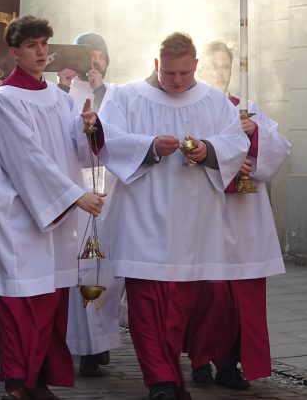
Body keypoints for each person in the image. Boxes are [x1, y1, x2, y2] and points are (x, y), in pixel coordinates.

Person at [98, 32, 249, 400]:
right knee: (146, 303)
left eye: (184, 73)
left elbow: (235, 143)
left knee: (180, 305)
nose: (177, 80)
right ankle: (161, 381)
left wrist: (207, 149)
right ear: (156, 65)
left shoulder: (215, 102)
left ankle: (169, 375)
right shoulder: (126, 97)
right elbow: (103, 138)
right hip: (141, 218)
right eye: (170, 74)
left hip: (193, 223)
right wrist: (148, 146)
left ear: (196, 65)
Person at [0, 15, 106, 400]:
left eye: (44, 44)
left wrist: (89, 126)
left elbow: (80, 150)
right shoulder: (5, 100)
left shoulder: (58, 97)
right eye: (32, 45)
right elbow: (29, 161)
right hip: (20, 216)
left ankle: (38, 380)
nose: (40, 52)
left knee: (50, 299)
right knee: (22, 302)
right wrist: (74, 196)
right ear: (15, 52)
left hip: (54, 216)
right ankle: (18, 382)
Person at [185, 41, 290, 390]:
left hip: (244, 218)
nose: (220, 73)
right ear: (200, 70)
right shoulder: (192, 109)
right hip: (208, 214)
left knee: (240, 297)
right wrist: (221, 158)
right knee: (208, 294)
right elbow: (183, 156)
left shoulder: (248, 109)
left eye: (226, 67)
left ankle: (230, 365)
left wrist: (256, 137)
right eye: (213, 67)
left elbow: (280, 148)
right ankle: (200, 359)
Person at [57, 32, 124, 378]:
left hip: (108, 192)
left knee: (106, 272)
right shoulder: (62, 94)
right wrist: (67, 89)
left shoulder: (116, 95)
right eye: (87, 56)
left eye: (99, 56)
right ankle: (85, 348)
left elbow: (119, 137)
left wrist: (98, 92)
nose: (93, 63)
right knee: (78, 271)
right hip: (75, 193)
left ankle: (101, 341)